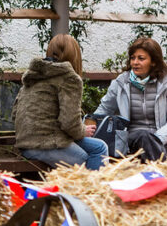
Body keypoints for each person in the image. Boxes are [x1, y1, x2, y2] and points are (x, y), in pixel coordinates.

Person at [12, 34, 108, 170]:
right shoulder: (69, 78)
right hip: (47, 145)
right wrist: (82, 131)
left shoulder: (34, 75)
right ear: (75, 56)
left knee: (100, 147)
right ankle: (89, 191)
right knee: (93, 160)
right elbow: (69, 122)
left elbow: (15, 114)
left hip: (25, 144)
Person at [94, 37, 167, 161]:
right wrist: (90, 126)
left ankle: (156, 172)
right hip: (130, 141)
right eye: (133, 58)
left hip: (162, 141)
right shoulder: (121, 83)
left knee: (146, 138)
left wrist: (156, 139)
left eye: (141, 58)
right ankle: (159, 175)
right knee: (143, 136)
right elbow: (104, 110)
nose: (135, 62)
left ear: (153, 62)